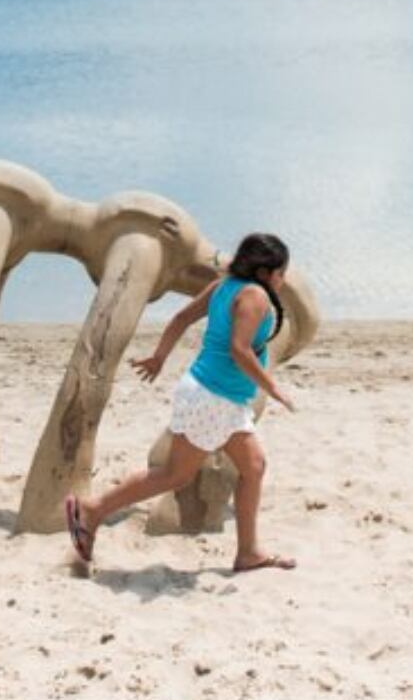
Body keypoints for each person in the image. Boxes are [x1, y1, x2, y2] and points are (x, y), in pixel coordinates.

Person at [65, 233, 299, 573]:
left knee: (253, 466)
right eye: (281, 272)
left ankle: (248, 552)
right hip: (214, 398)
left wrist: (160, 357)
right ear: (265, 272)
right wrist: (272, 387)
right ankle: (92, 510)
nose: (283, 279)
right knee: (174, 475)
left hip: (213, 396)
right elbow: (239, 349)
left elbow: (181, 318)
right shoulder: (255, 295)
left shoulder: (224, 286)